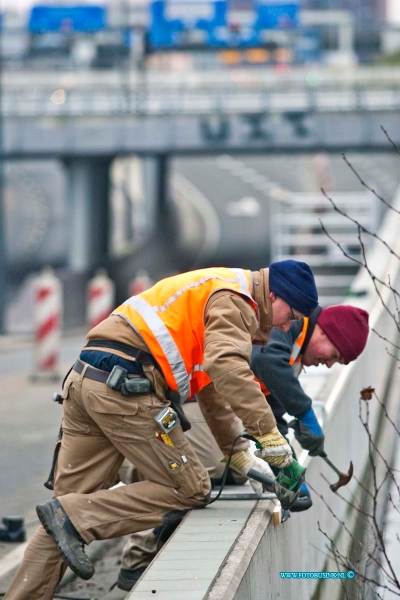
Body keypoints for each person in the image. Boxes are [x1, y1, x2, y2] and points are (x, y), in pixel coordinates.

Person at [5, 261, 318, 600]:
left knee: (60, 512)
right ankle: (78, 516)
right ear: (274, 296)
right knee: (190, 488)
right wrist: (271, 440)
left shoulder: (215, 287)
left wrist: (236, 453)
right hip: (128, 389)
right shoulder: (239, 300)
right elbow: (227, 367)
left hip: (87, 380)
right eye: (293, 314)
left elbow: (211, 388)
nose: (290, 324)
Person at [116, 303, 370, 591]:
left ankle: (158, 528)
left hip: (215, 407)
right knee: (208, 470)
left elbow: (270, 418)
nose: (329, 365)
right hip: (190, 398)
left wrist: (288, 473)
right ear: (324, 331)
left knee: (236, 473)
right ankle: (140, 552)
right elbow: (265, 360)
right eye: (334, 355)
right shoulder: (286, 324)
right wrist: (304, 411)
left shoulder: (296, 353)